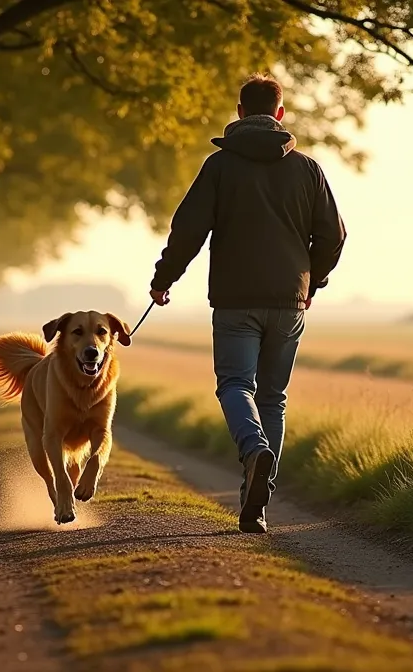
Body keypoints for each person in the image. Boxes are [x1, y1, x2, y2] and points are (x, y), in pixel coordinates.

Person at [147, 73, 347, 533]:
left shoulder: (219, 167)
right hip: (289, 302)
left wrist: (163, 279)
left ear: (239, 112)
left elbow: (188, 230)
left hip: (235, 301)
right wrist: (312, 282)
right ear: (280, 113)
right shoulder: (308, 169)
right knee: (273, 398)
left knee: (236, 384)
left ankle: (254, 450)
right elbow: (333, 235)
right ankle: (256, 506)